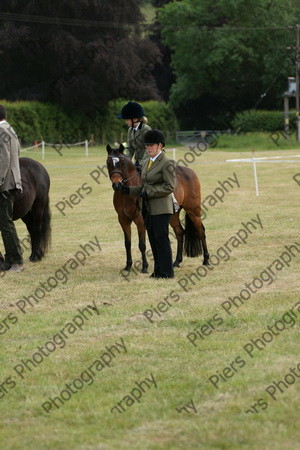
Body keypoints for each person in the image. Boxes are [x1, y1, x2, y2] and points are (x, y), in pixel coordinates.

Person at [114, 129, 176, 278]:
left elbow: (169, 187)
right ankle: (158, 271)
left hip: (162, 207)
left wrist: (149, 193)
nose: (148, 148)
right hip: (148, 208)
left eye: (151, 145)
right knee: (153, 240)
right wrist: (126, 190)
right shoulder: (146, 162)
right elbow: (142, 187)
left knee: (161, 239)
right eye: (147, 145)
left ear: (160, 145)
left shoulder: (167, 162)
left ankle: (167, 272)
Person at [0, 105, 24, 273]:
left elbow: (4, 159)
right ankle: (9, 259)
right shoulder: (10, 129)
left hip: (4, 184)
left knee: (5, 223)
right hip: (12, 180)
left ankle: (16, 260)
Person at [117, 101, 151, 171]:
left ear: (135, 119)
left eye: (127, 119)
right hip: (138, 162)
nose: (125, 122)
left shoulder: (146, 129)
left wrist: (142, 164)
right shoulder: (130, 130)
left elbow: (149, 149)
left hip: (148, 162)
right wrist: (126, 161)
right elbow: (130, 148)